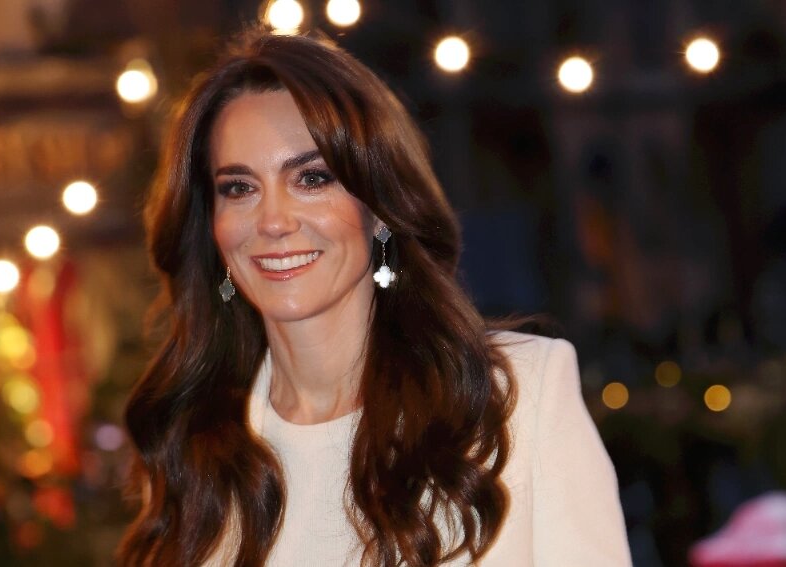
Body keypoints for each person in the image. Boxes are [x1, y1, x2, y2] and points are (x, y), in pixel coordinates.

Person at [119, 28, 631, 567]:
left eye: (311, 178)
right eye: (239, 188)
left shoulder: (515, 398)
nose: (272, 221)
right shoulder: (193, 453)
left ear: (379, 207)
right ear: (212, 226)